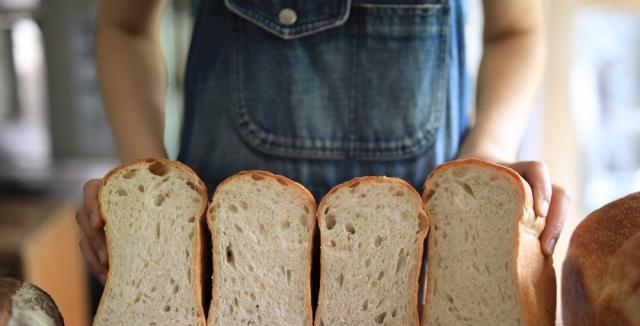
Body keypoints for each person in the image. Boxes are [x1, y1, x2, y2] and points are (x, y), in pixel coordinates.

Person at [77, 0, 569, 285]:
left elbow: (515, 30)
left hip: (420, 292)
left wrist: (489, 149)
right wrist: (144, 183)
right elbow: (125, 26)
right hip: (214, 286)